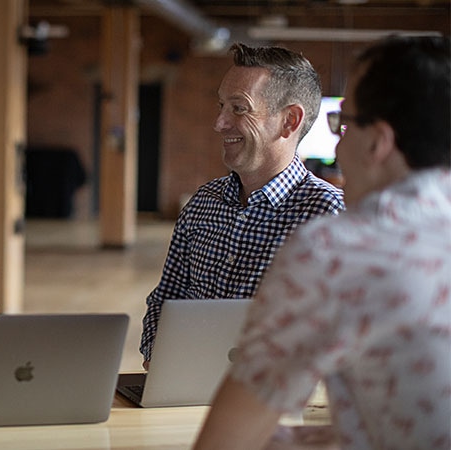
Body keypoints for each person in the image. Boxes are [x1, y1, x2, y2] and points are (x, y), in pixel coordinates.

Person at [194, 35, 451, 450]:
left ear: (377, 142)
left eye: (342, 123)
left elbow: (226, 442)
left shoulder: (341, 251)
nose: (336, 143)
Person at [140, 43, 345, 367]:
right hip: (182, 391)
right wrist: (158, 359)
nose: (219, 123)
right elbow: (167, 296)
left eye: (239, 108)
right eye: (221, 105)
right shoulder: (202, 203)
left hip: (269, 402)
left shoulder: (329, 215)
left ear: (289, 121)